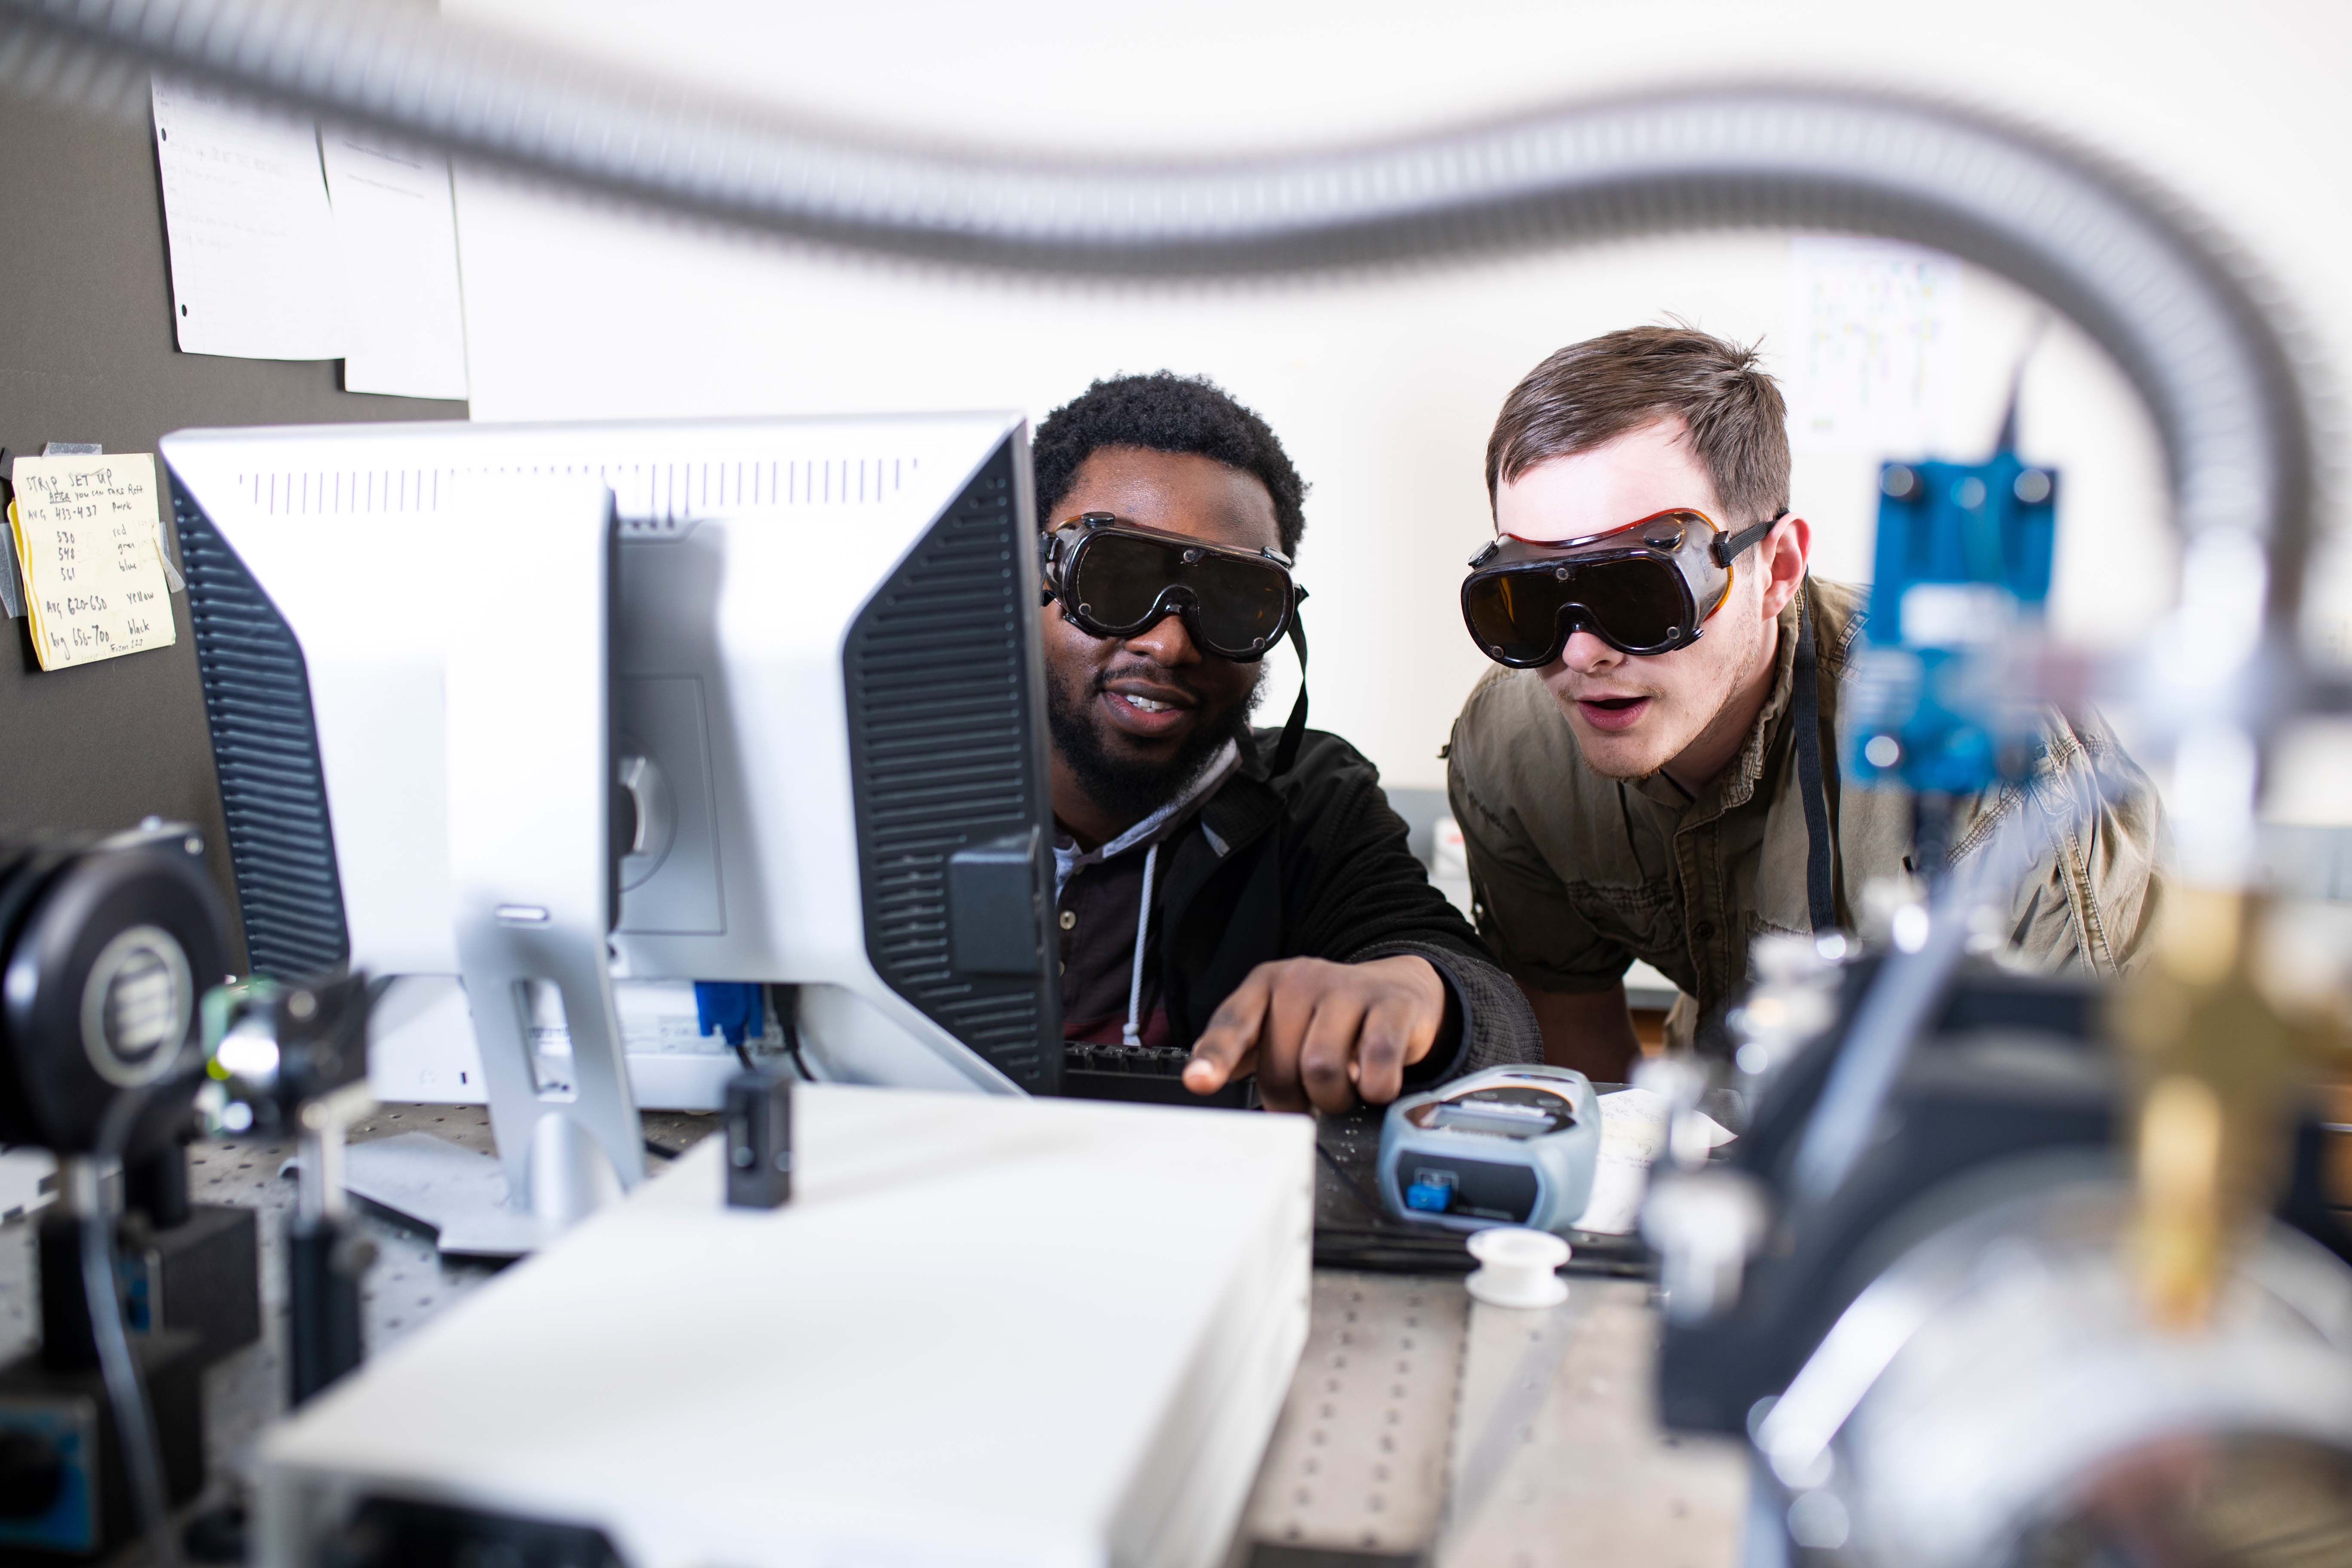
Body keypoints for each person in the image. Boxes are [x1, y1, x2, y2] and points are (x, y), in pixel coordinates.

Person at [1445, 325, 2163, 1079]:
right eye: (1527, 600)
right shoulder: (1514, 749)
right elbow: (1576, 1046)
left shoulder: (1986, 765)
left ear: (1778, 567)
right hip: (1735, 1094)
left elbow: (2080, 1133)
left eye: (1637, 591)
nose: (1581, 653)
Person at [1035, 371, 1540, 1112]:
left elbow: (1487, 1007)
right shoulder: (890, 787)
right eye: (1114, 578)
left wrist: (1413, 997)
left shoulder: (1310, 800)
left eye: (1234, 600)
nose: (1169, 643)